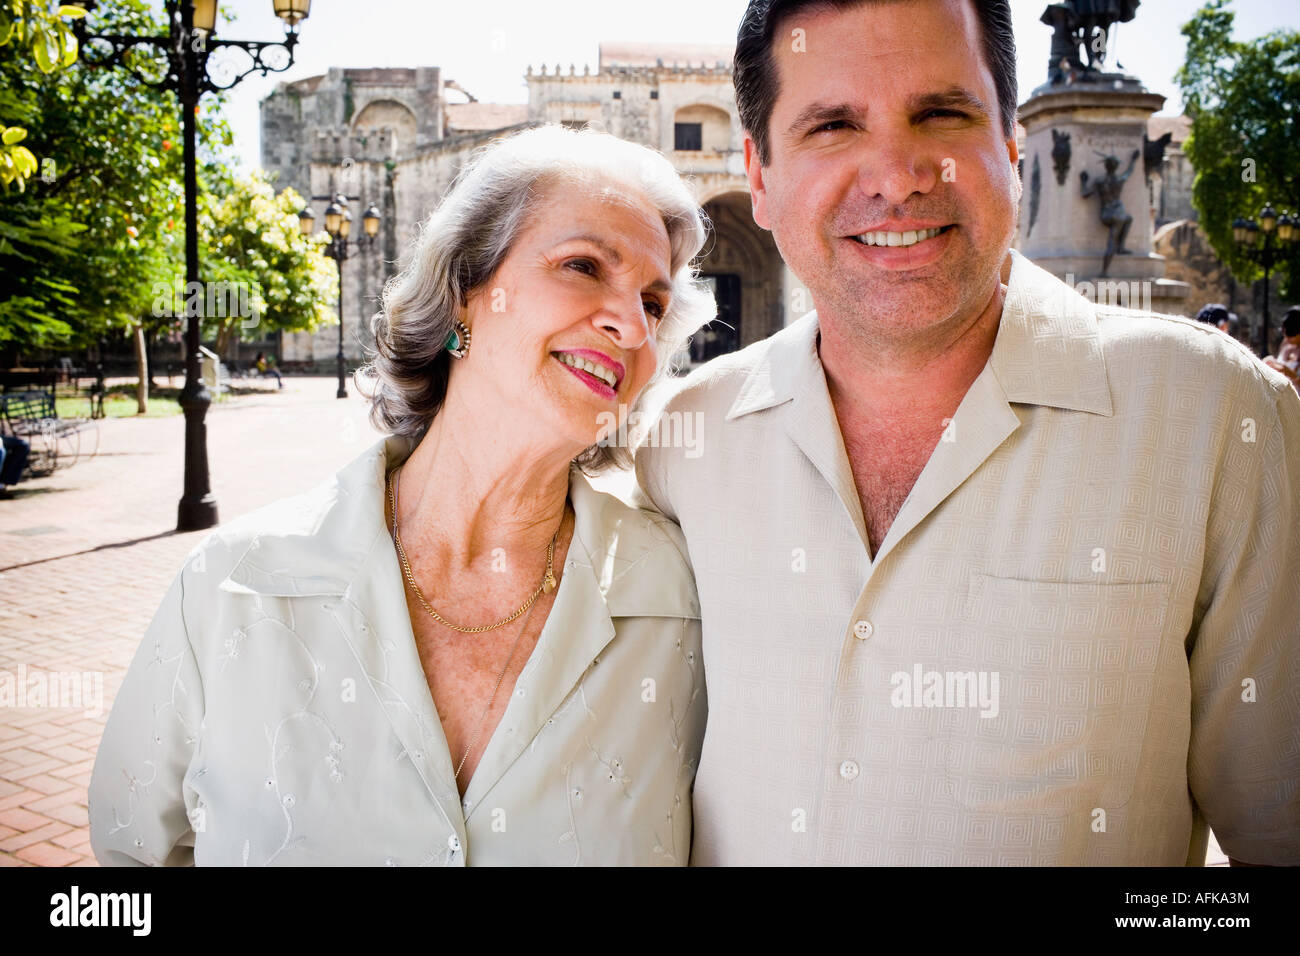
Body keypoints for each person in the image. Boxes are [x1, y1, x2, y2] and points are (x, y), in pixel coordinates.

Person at [637, 0, 1300, 866]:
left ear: (1014, 149)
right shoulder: (684, 442)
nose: (897, 174)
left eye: (942, 114)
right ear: (758, 176)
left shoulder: (1216, 420)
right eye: (833, 125)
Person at [89, 125, 716, 866]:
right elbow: (133, 852)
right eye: (582, 265)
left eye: (653, 301)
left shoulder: (683, 601)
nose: (630, 323)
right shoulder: (234, 584)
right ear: (462, 301)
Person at [1263, 307, 1300, 389]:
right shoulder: (1286, 343)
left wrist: (1288, 372)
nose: (1287, 337)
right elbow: (1280, 363)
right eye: (1284, 333)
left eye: (1291, 334)